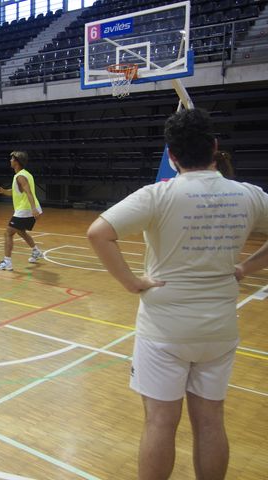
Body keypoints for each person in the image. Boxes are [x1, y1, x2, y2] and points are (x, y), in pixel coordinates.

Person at [86, 108, 268, 480]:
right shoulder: (248, 195)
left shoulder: (158, 195)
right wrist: (245, 269)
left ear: (171, 155)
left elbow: (97, 233)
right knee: (211, 422)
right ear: (215, 148)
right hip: (218, 329)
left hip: (164, 330)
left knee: (159, 423)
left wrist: (131, 282)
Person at [0, 151, 43, 271]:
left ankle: (7, 262)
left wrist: (33, 208)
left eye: (11, 159)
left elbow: (29, 192)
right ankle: (36, 251)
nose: (10, 161)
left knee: (8, 233)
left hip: (25, 210)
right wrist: (3, 191)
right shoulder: (25, 174)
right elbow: (16, 192)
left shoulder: (21, 176)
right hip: (27, 209)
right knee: (20, 231)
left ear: (16, 162)